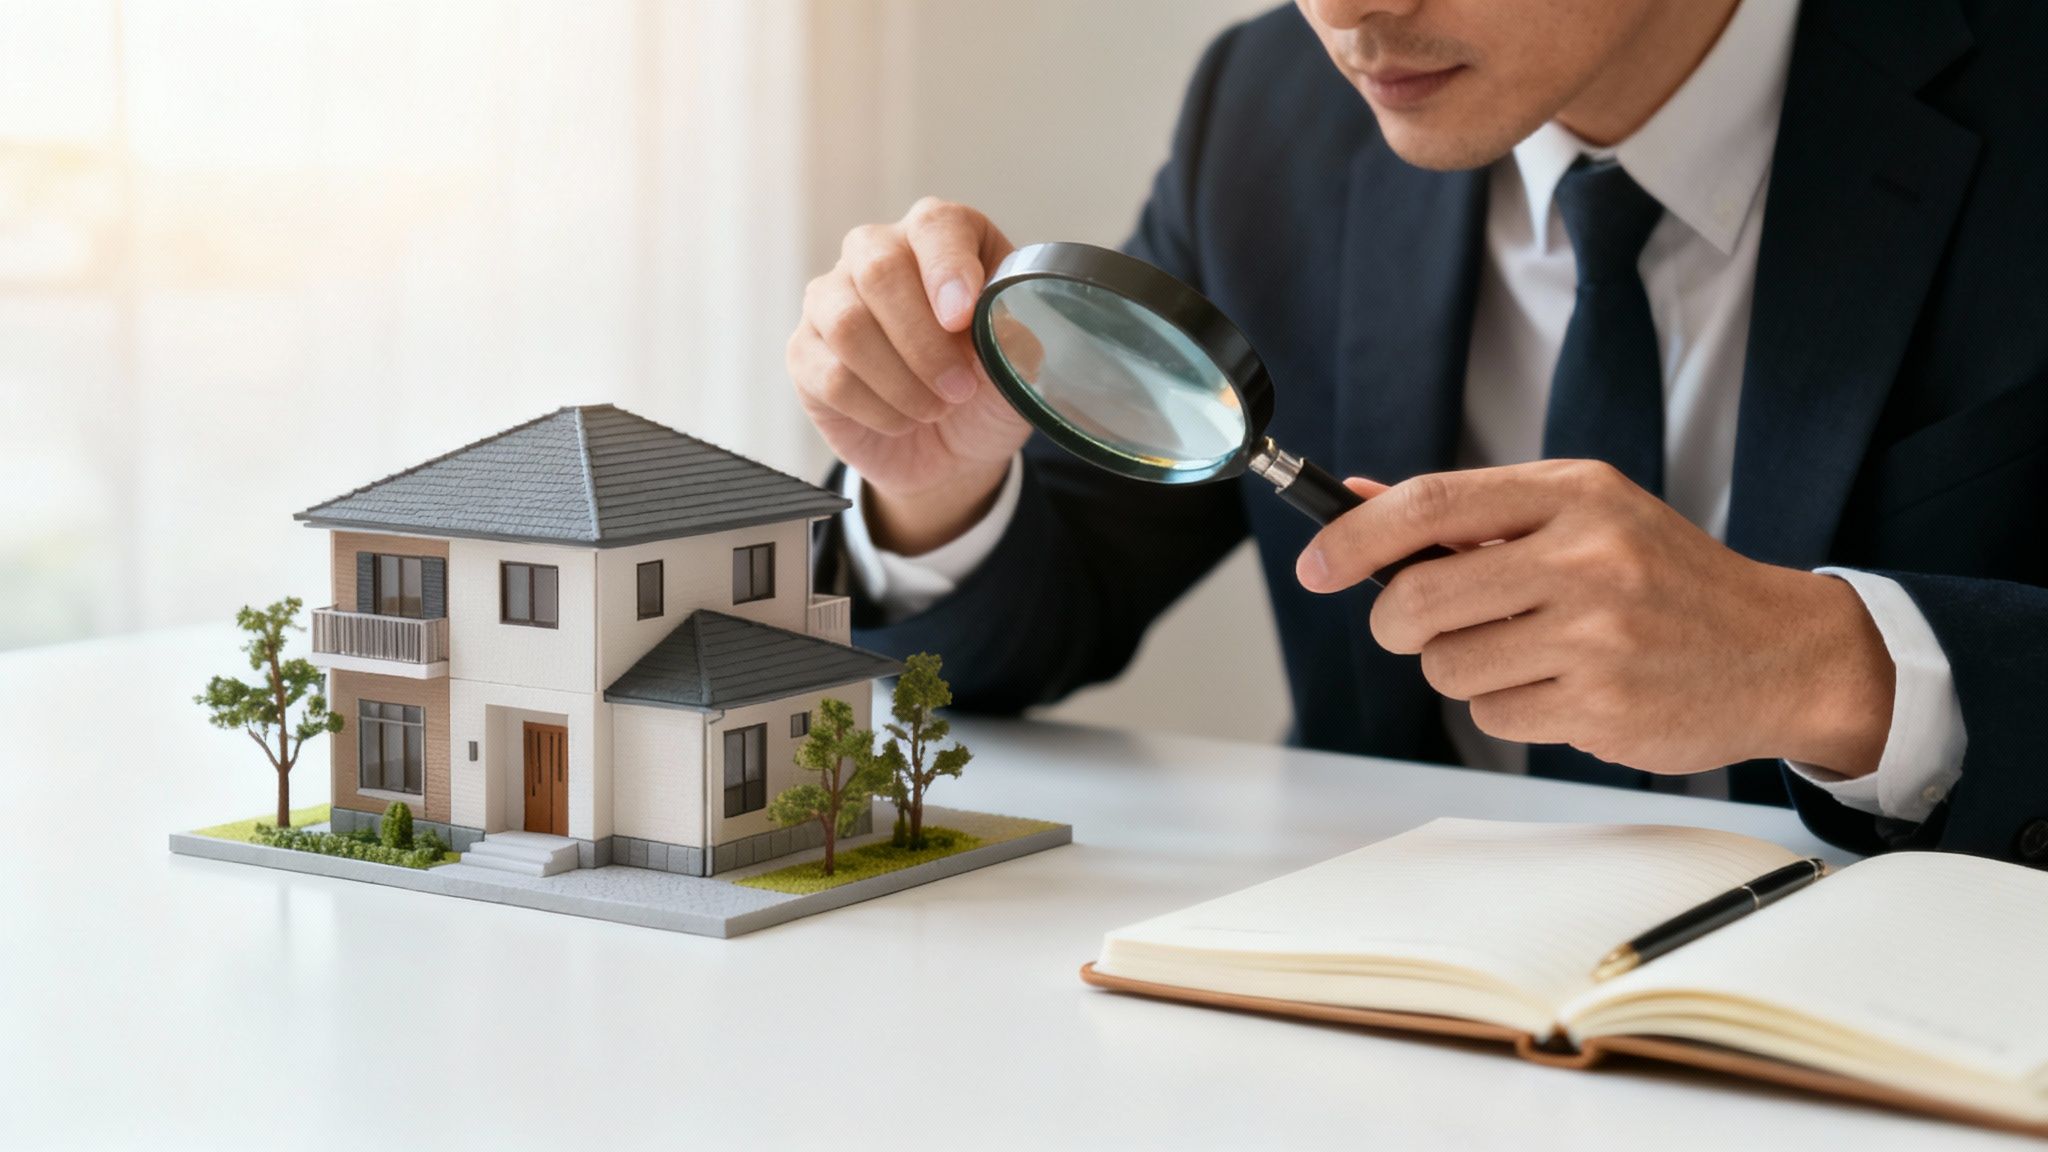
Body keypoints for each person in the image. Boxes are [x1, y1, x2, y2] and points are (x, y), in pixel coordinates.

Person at [787, 0, 2048, 863]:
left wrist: (1831, 668)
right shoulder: (1271, 109)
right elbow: (1032, 625)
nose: (1347, 11)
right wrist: (935, 496)